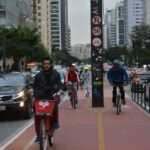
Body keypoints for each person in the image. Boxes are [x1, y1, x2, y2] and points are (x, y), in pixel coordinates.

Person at [33, 58, 61, 143]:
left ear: (51, 64)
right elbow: (35, 87)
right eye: (45, 63)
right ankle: (38, 136)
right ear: (42, 65)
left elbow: (59, 84)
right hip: (40, 97)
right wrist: (35, 95)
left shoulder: (56, 74)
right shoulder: (38, 75)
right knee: (37, 117)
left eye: (48, 63)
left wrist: (58, 89)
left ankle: (54, 125)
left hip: (51, 97)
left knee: (54, 110)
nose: (46, 65)